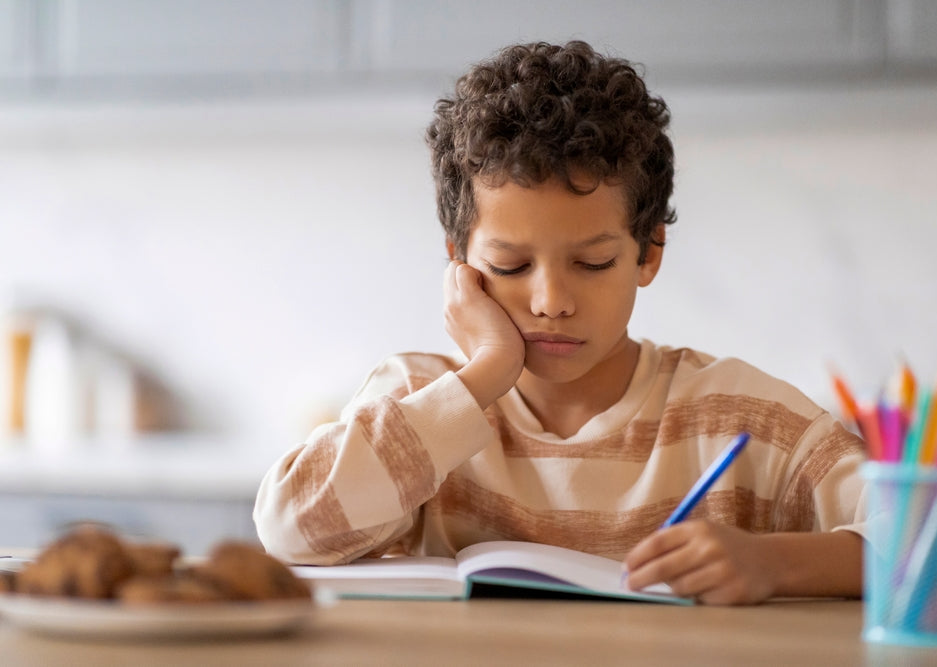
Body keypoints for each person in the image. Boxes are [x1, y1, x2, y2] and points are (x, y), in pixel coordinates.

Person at [254, 40, 868, 605]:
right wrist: (487, 373)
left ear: (648, 253)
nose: (551, 300)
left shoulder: (741, 418)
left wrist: (776, 563)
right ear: (458, 258)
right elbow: (288, 529)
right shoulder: (420, 405)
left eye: (593, 262)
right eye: (511, 265)